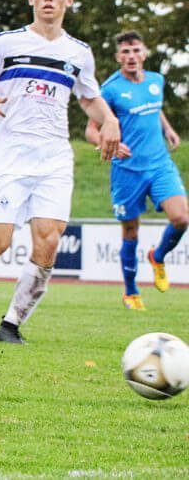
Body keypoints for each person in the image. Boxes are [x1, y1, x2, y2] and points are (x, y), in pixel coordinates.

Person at [0, 0, 121, 344]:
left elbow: (89, 98)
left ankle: (11, 324)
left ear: (69, 0)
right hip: (9, 155)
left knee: (49, 241)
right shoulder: (6, 43)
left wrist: (110, 121)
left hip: (54, 158)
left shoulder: (79, 53)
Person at [85, 31, 186, 309]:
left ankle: (158, 256)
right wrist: (111, 144)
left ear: (144, 53)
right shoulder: (110, 89)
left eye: (135, 51)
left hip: (159, 164)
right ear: (118, 57)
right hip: (127, 170)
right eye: (125, 53)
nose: (131, 57)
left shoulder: (156, 80)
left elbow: (154, 108)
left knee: (182, 218)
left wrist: (168, 129)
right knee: (130, 231)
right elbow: (91, 130)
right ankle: (131, 292)